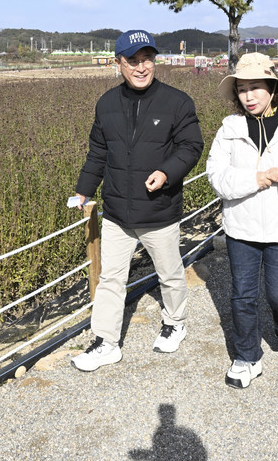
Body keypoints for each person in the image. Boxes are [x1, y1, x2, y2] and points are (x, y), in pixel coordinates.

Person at [71, 30, 204, 372]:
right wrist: (84, 189)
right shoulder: (107, 104)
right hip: (116, 212)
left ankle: (175, 321)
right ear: (119, 64)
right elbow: (97, 152)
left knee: (170, 273)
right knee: (111, 279)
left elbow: (191, 146)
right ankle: (106, 342)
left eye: (147, 59)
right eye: (133, 60)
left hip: (159, 209)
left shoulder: (177, 102)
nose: (141, 67)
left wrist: (166, 173)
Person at [206, 53, 278, 388]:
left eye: (256, 87)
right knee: (242, 296)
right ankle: (246, 356)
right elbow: (216, 176)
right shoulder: (230, 129)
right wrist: (255, 179)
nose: (249, 96)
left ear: (273, 88)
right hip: (242, 228)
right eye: (242, 89)